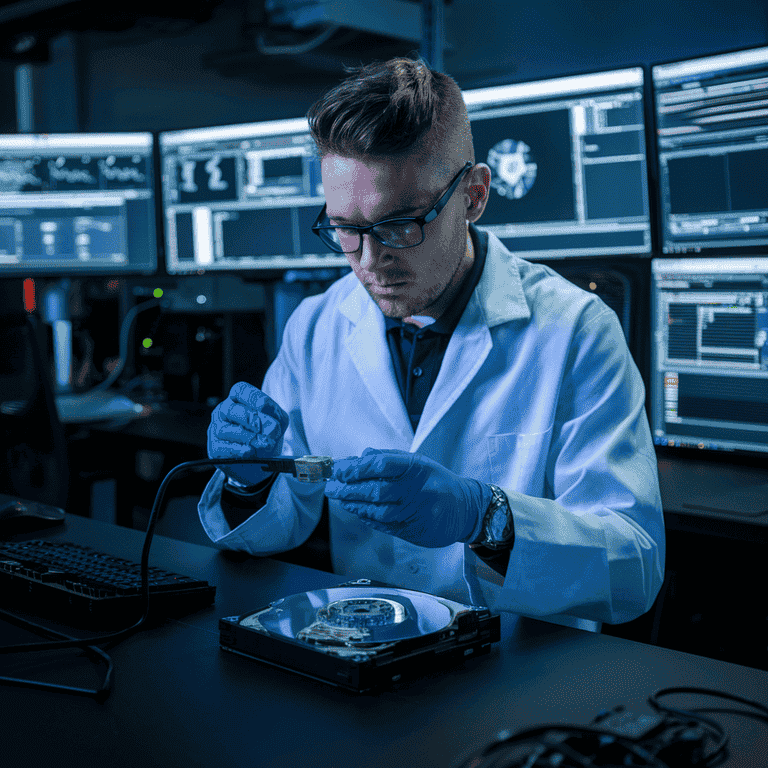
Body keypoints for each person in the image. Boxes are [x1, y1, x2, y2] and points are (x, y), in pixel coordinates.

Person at [199, 57, 664, 632]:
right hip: (364, 653)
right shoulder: (317, 324)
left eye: (400, 225)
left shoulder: (575, 330)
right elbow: (284, 517)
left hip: (519, 674)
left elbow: (635, 566)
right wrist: (250, 479)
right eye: (346, 228)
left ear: (474, 195)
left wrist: (482, 515)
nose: (369, 263)